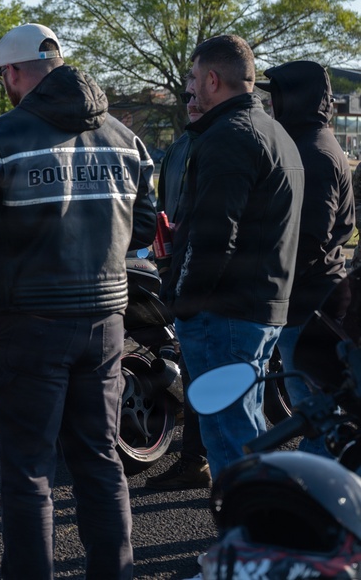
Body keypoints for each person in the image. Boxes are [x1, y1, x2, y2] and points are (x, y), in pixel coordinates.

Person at [0, 23, 155, 578]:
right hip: (105, 318)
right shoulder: (126, 139)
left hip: (26, 321)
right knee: (100, 460)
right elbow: (147, 225)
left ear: (12, 73)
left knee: (28, 471)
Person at [161, 34, 304, 481]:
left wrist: (182, 301)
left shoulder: (228, 136)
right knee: (244, 427)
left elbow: (214, 236)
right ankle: (257, 533)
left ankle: (250, 540)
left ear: (212, 78)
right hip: (259, 307)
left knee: (229, 434)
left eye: (191, 77)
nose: (188, 87)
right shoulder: (275, 132)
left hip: (223, 313)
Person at [259, 61, 354, 454]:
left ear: (294, 97)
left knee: (319, 412)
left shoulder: (314, 152)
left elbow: (310, 238)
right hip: (309, 299)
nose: (270, 103)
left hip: (309, 304)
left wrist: (264, 273)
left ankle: (314, 501)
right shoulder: (308, 142)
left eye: (276, 95)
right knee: (316, 407)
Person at [145, 78, 211, 491]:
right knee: (191, 364)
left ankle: (200, 460)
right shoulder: (180, 146)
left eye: (195, 95)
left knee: (209, 374)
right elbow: (164, 206)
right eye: (186, 97)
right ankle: (195, 457)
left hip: (204, 275)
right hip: (175, 266)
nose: (189, 102)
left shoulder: (219, 143)